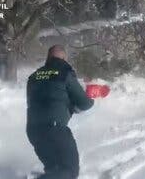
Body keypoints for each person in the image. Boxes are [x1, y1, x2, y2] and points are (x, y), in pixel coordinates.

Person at [26, 45, 94, 179]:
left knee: (54, 170)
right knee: (69, 171)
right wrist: (89, 98)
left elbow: (42, 100)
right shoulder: (64, 73)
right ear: (64, 58)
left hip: (33, 131)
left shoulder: (34, 77)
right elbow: (85, 103)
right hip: (55, 129)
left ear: (48, 57)